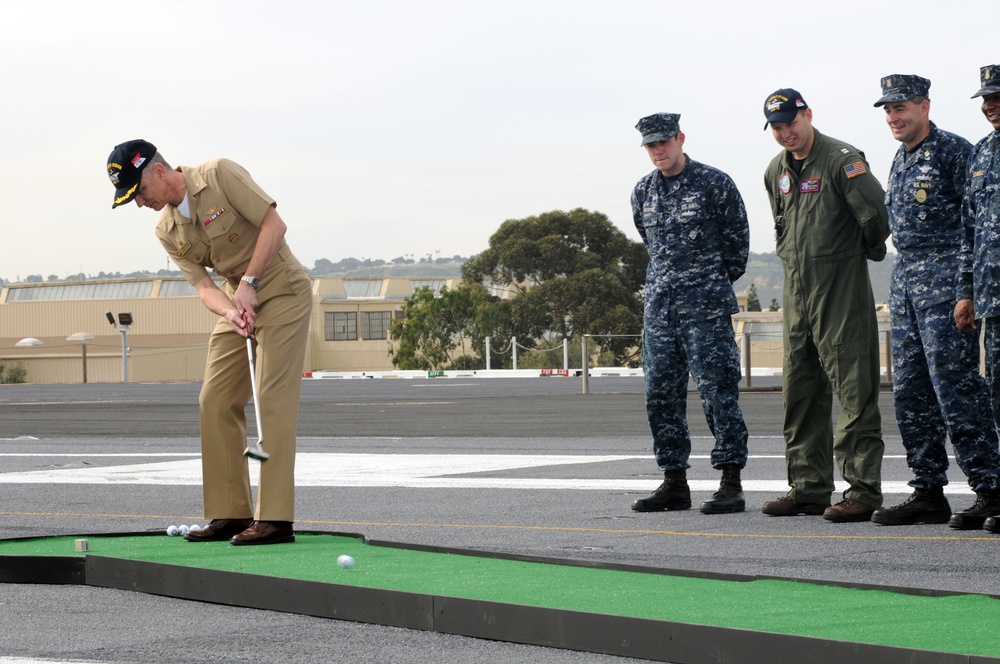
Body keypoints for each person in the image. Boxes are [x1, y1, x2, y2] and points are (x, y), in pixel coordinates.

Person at [106, 140, 313, 545]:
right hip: (238, 299)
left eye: (140, 192)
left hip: (281, 287)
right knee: (214, 399)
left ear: (159, 172)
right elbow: (203, 286)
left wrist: (251, 283)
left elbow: (275, 226)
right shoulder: (166, 229)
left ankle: (274, 519)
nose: (140, 203)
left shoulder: (219, 174)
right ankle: (232, 513)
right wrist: (230, 311)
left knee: (271, 397)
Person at [867, 75, 1000, 528]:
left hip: (945, 283)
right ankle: (928, 489)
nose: (894, 116)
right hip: (906, 284)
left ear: (924, 106)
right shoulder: (900, 159)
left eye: (901, 107)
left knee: (955, 386)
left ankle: (990, 486)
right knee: (911, 392)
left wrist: (966, 289)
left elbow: (972, 226)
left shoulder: (954, 150)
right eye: (888, 109)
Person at [760, 89, 890, 522]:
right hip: (798, 291)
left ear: (807, 115)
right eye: (777, 127)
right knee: (800, 390)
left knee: (854, 389)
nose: (785, 133)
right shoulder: (776, 170)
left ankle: (862, 491)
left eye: (791, 123)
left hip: (840, 287)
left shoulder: (841, 159)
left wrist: (860, 256)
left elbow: (876, 215)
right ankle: (808, 487)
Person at [629, 113, 750, 515]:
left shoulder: (715, 183)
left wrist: (707, 283)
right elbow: (651, 244)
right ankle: (674, 481)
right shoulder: (643, 191)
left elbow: (737, 246)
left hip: (706, 310)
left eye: (664, 142)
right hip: (660, 312)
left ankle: (730, 482)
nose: (659, 150)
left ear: (680, 138)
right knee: (661, 397)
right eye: (651, 145)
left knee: (719, 394)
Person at [955, 64, 1000, 534]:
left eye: (998, 96)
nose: (990, 104)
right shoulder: (983, 152)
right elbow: (970, 231)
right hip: (992, 300)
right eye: (986, 98)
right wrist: (966, 292)